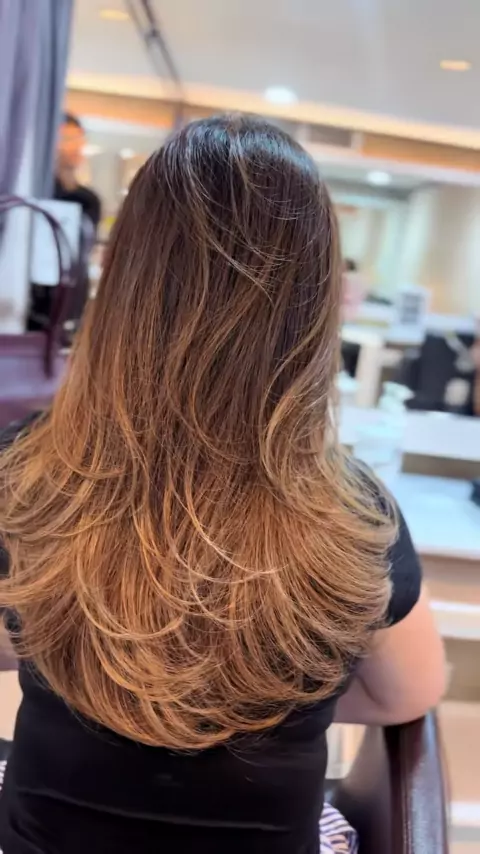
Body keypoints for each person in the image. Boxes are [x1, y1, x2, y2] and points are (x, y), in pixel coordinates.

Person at [0, 115, 445, 854]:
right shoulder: (353, 517)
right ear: (312, 305)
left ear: (127, 278)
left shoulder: (29, 474)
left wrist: (86, 657)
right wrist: (276, 697)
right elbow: (409, 694)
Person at [28, 113, 101, 334]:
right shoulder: (37, 193)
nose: (75, 147)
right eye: (67, 139)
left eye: (79, 139)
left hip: (72, 302)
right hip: (34, 303)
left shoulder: (89, 200)